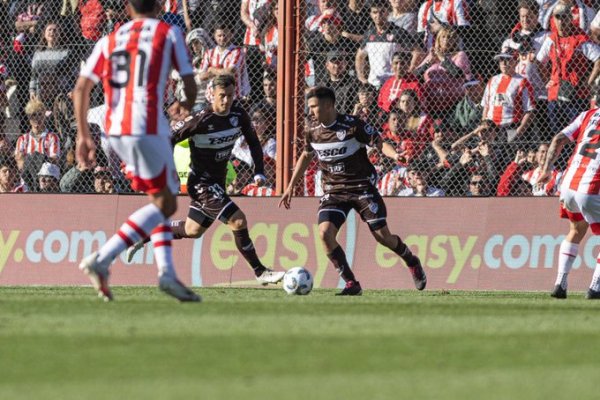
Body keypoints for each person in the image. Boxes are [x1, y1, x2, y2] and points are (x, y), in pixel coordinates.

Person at [73, 0, 200, 302]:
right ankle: (103, 258)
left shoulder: (110, 39)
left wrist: (82, 135)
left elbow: (81, 88)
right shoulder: (168, 33)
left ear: (127, 8)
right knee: (166, 204)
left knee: (161, 200)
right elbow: (189, 81)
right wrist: (188, 104)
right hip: (148, 126)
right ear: (159, 6)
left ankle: (166, 273)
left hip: (114, 130)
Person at [127, 74, 285, 286]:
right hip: (201, 183)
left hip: (217, 183)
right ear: (212, 95)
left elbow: (253, 141)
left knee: (193, 230)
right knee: (238, 220)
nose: (226, 100)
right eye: (222, 96)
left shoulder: (238, 114)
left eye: (230, 95)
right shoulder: (200, 120)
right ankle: (260, 271)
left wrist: (259, 172)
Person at [279, 86, 427, 296]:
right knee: (324, 233)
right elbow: (306, 154)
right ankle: (351, 283)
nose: (311, 111)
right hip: (333, 191)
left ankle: (411, 260)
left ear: (329, 105)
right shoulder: (312, 129)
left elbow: (378, 142)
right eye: (309, 107)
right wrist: (291, 185)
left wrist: (394, 156)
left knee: (383, 237)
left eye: (314, 107)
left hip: (361, 187)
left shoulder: (352, 125)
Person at [538, 89, 600, 299]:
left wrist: (546, 170)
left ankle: (560, 284)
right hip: (592, 187)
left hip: (569, 185)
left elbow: (557, 139)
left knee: (576, 229)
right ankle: (595, 288)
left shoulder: (587, 115)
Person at [355, 0, 423, 89]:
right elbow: (360, 56)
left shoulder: (398, 32)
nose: (378, 15)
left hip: (392, 84)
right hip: (373, 85)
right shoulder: (369, 34)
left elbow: (418, 52)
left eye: (382, 11)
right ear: (371, 14)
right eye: (375, 12)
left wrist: (409, 71)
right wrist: (361, 77)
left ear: (388, 12)